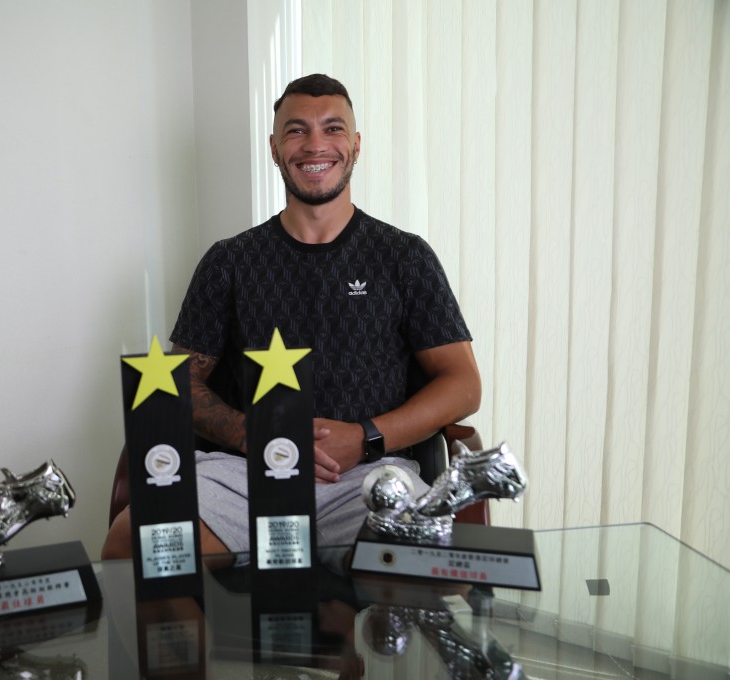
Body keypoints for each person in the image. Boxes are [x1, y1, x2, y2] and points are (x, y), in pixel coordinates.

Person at [101, 74, 480, 559]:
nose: (315, 144)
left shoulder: (403, 257)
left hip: (371, 476)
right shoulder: (230, 261)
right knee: (133, 545)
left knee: (414, 570)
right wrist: (252, 435)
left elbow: (464, 385)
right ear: (275, 148)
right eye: (297, 130)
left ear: (356, 145)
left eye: (333, 128)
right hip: (247, 476)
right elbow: (178, 386)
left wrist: (364, 438)